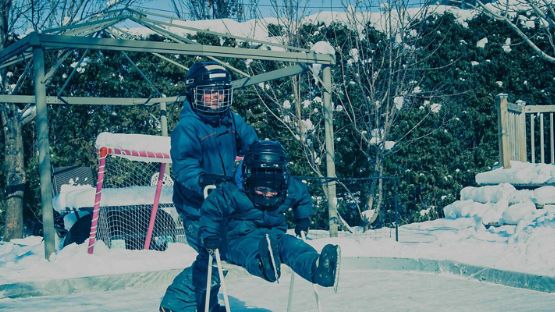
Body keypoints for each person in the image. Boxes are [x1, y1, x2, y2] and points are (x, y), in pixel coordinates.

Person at [160, 61, 258, 312]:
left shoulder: (230, 120)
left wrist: (265, 158)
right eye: (209, 92)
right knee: (217, 253)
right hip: (196, 207)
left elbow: (252, 145)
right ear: (194, 93)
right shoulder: (187, 128)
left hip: (223, 202)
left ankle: (207, 303)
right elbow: (185, 168)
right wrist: (205, 179)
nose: (216, 97)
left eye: (221, 92)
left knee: (217, 255)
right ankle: (175, 302)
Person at [199, 140, 340, 306]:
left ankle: (316, 267)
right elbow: (211, 210)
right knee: (250, 250)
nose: (267, 195)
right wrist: (210, 236)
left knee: (293, 246)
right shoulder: (232, 191)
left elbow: (301, 195)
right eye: (261, 190)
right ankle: (264, 263)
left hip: (275, 236)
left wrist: (303, 219)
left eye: (272, 191)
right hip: (238, 239)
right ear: (248, 177)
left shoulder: (288, 187)